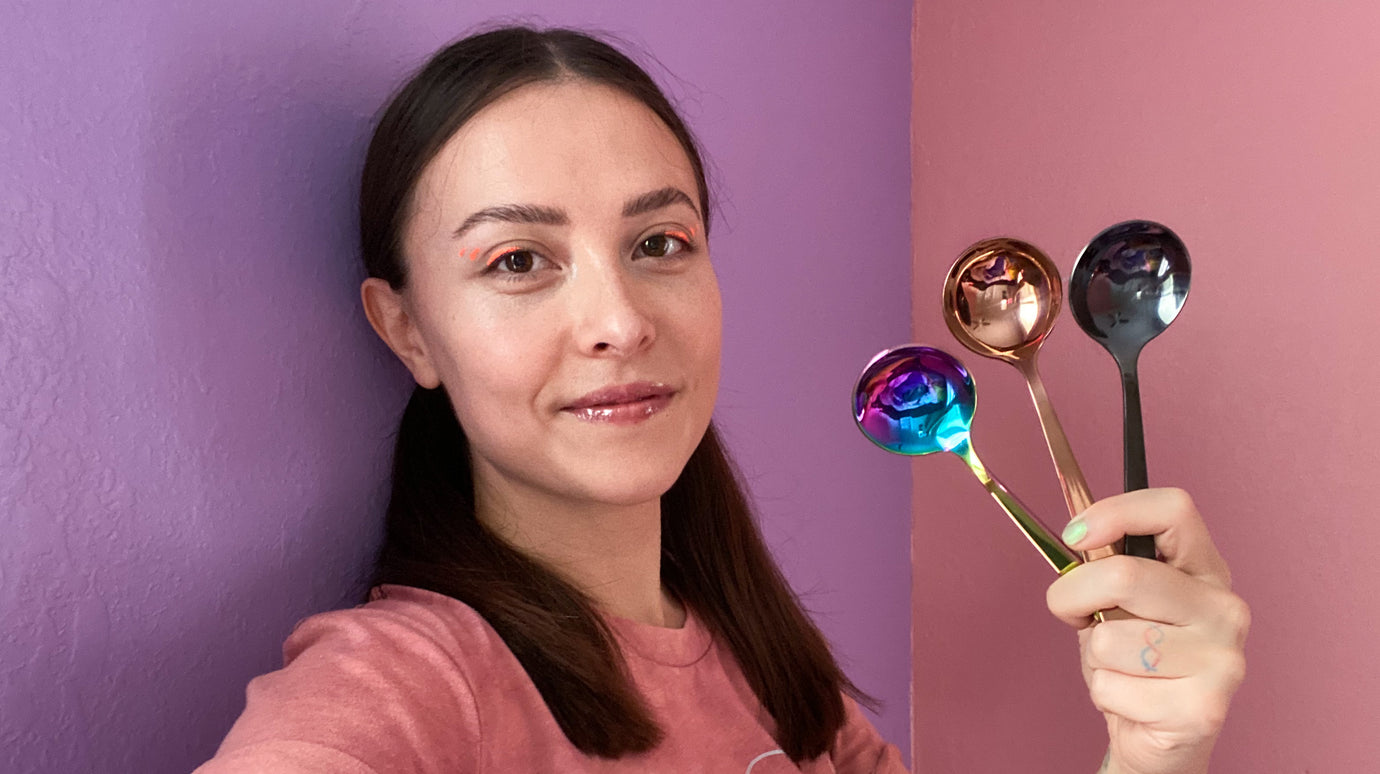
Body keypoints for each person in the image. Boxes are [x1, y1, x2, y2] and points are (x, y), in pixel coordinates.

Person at [193, 25, 1248, 774]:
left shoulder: (785, 682)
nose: (619, 320)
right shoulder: (409, 686)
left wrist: (1157, 750)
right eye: (519, 260)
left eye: (659, 244)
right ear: (408, 329)